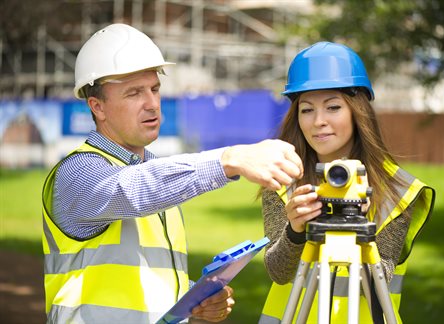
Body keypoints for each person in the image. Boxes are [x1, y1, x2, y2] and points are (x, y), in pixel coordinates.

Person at [41, 23, 303, 324]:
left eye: (154, 89)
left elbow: (142, 280)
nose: (152, 103)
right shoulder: (75, 173)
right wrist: (230, 159)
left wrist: (194, 301)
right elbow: (131, 191)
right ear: (97, 106)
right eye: (133, 93)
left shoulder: (155, 175)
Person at [258, 42, 435, 323]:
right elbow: (278, 272)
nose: (319, 121)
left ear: (357, 110)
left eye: (333, 107)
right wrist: (294, 232)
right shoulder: (283, 181)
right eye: (307, 109)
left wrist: (363, 230)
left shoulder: (397, 190)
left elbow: (382, 279)